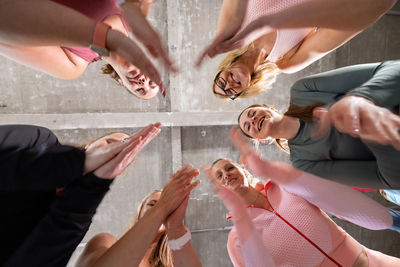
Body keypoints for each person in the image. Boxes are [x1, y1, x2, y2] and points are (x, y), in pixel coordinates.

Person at [205, 128, 400, 267]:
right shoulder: (238, 237)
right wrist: (241, 217)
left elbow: (342, 204)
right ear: (219, 190)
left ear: (244, 170)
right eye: (219, 176)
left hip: (373, 261)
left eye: (229, 168)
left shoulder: (285, 186)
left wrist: (271, 170)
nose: (226, 175)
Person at [0, 123, 161, 266]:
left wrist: (94, 184)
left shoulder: (73, 214)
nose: (114, 151)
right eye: (110, 143)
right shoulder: (39, 140)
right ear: (91, 144)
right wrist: (79, 162)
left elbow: (39, 257)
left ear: (117, 172)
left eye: (123, 155)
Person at [237, 60, 400, 189]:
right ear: (261, 140)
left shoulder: (303, 90)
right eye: (248, 127)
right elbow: (390, 179)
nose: (252, 120)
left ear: (270, 108)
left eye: (252, 113)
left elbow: (392, 68)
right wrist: (373, 134)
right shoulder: (304, 164)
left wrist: (361, 98)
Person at [196, 0, 397, 100]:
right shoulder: (286, 61)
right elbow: (341, 31)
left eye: (221, 81)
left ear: (222, 69)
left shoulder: (234, 30)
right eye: (231, 92)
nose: (229, 84)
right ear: (246, 89)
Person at [0, 0, 175, 98]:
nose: (143, 83)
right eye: (151, 82)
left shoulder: (73, 64)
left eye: (140, 91)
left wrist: (99, 37)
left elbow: (4, 32)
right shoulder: (135, 11)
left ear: (123, 83)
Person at [75, 164, 202, 267]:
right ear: (140, 212)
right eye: (152, 205)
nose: (163, 210)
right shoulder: (105, 243)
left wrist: (175, 227)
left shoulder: (174, 263)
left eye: (170, 209)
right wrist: (162, 207)